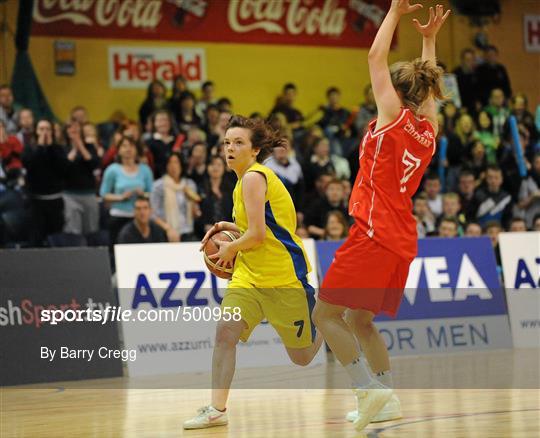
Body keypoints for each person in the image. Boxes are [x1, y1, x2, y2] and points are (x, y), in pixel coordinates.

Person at [312, 2, 449, 431]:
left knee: (325, 316)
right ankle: (385, 398)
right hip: (403, 237)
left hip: (373, 231)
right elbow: (427, 89)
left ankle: (369, 391)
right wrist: (428, 40)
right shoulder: (428, 130)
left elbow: (375, 57)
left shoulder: (391, 117)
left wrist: (392, 12)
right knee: (359, 320)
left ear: (396, 92)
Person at [183, 115, 322, 430]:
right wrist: (224, 227)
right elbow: (254, 228)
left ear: (255, 149)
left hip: (283, 276)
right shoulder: (242, 180)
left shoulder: (254, 178)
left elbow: (258, 235)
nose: (229, 149)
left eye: (238, 143)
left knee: (301, 358)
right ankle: (217, 409)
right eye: (226, 143)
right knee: (225, 333)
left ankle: (327, 313)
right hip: (248, 276)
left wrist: (230, 248)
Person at [22, 119, 69, 245]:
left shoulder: (59, 149)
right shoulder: (29, 149)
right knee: (36, 237)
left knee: (56, 238)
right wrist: (40, 147)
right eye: (41, 129)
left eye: (47, 129)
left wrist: (50, 147)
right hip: (36, 201)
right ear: (36, 131)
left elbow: (63, 168)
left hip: (55, 200)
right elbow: (29, 165)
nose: (45, 132)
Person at [99, 135, 153, 246]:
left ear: (137, 150)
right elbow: (103, 194)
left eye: (131, 146)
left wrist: (142, 194)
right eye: (124, 146)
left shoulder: (145, 169)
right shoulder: (112, 169)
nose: (128, 149)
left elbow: (151, 193)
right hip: (118, 215)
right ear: (118, 150)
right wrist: (121, 197)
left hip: (140, 217)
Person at [150, 152, 201, 242]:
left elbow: (195, 213)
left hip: (187, 231)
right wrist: (168, 229)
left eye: (176, 162)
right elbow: (152, 213)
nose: (173, 166)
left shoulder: (189, 184)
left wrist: (195, 206)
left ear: (181, 165)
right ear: (166, 166)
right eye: (170, 162)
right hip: (166, 232)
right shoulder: (158, 186)